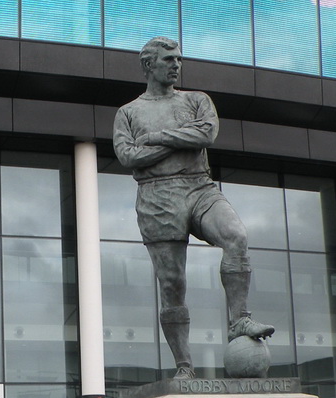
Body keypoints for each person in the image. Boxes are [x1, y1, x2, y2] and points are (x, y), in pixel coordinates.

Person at [113, 36, 274, 380]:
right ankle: (184, 366)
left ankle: (239, 319)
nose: (176, 65)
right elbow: (128, 156)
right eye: (168, 59)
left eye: (179, 59)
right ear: (148, 65)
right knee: (172, 285)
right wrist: (180, 140)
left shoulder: (197, 100)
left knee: (235, 236)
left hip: (199, 186)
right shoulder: (128, 113)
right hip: (156, 196)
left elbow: (206, 134)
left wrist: (156, 138)